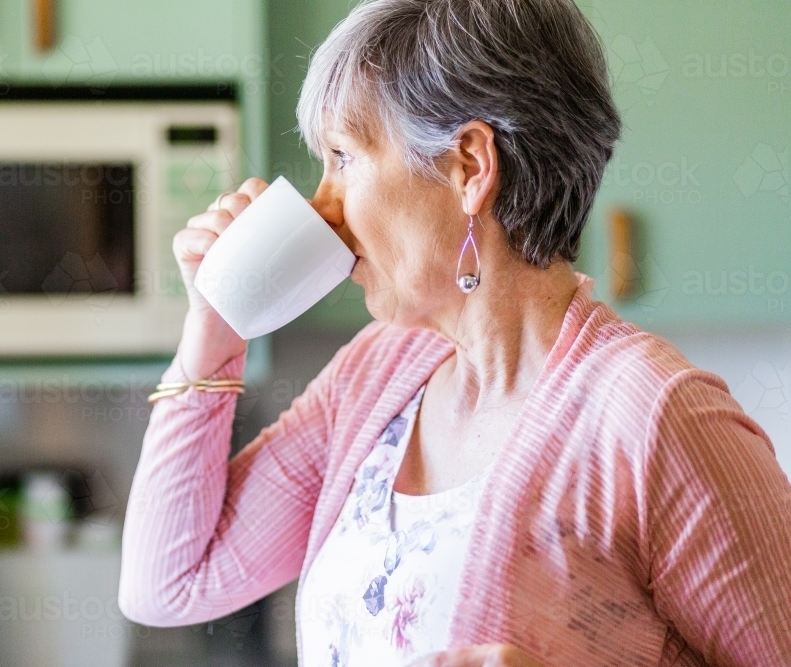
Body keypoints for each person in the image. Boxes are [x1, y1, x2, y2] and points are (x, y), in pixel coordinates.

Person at [119, 0, 791, 664]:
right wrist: (216, 318)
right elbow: (170, 583)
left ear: (468, 165)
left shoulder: (656, 417)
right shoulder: (378, 373)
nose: (323, 212)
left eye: (344, 159)